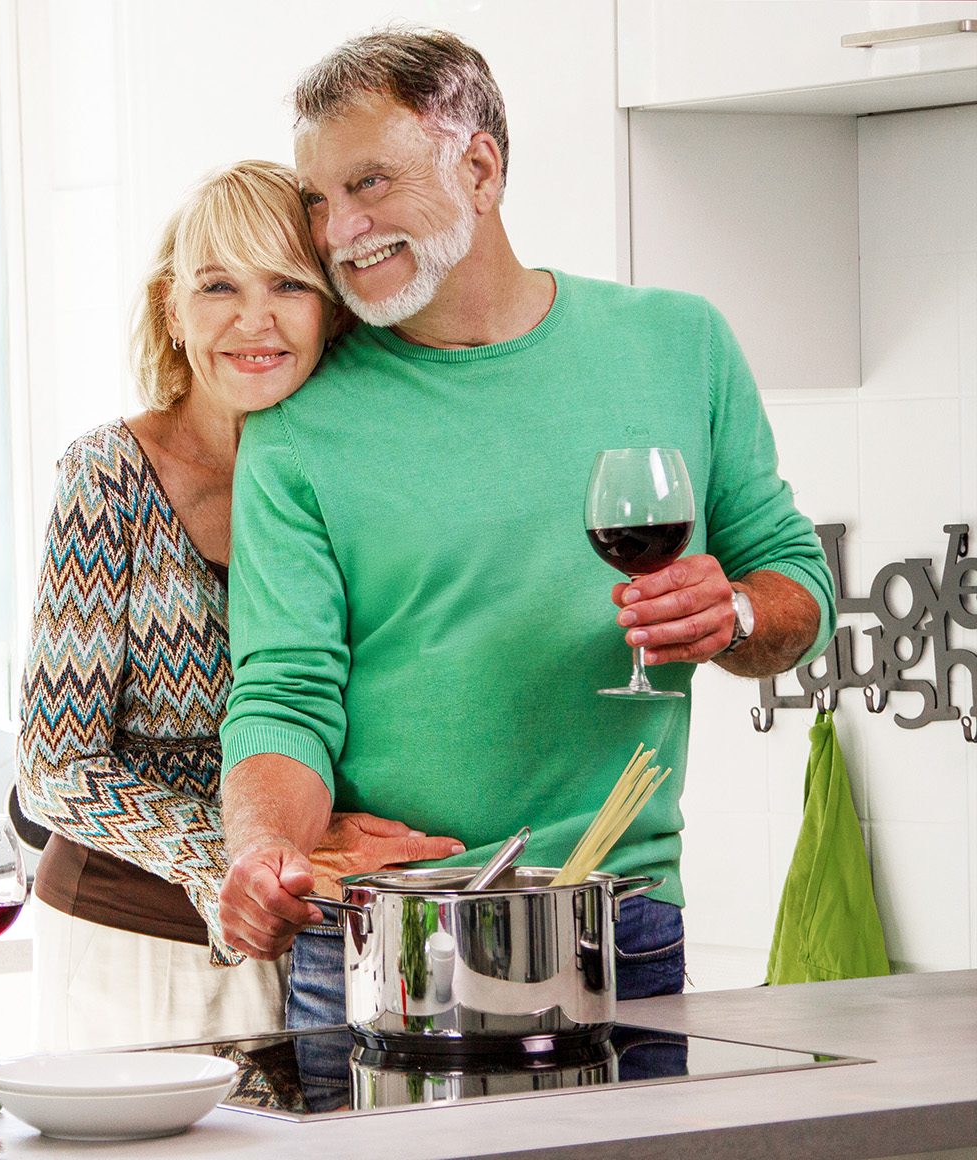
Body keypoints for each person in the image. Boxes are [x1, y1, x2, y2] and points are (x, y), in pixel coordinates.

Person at [210, 29, 837, 1033]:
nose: (339, 229)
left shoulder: (677, 342)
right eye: (320, 199)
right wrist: (262, 853)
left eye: (369, 182)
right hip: (377, 942)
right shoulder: (297, 425)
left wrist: (728, 611)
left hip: (615, 921)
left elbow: (796, 591)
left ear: (480, 165)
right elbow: (284, 693)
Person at [18, 160, 463, 1053]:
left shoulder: (358, 480)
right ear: (170, 311)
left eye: (288, 285)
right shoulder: (110, 479)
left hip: (331, 942)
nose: (252, 321)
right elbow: (54, 767)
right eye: (218, 285)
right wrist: (253, 860)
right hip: (136, 948)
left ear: (333, 312)